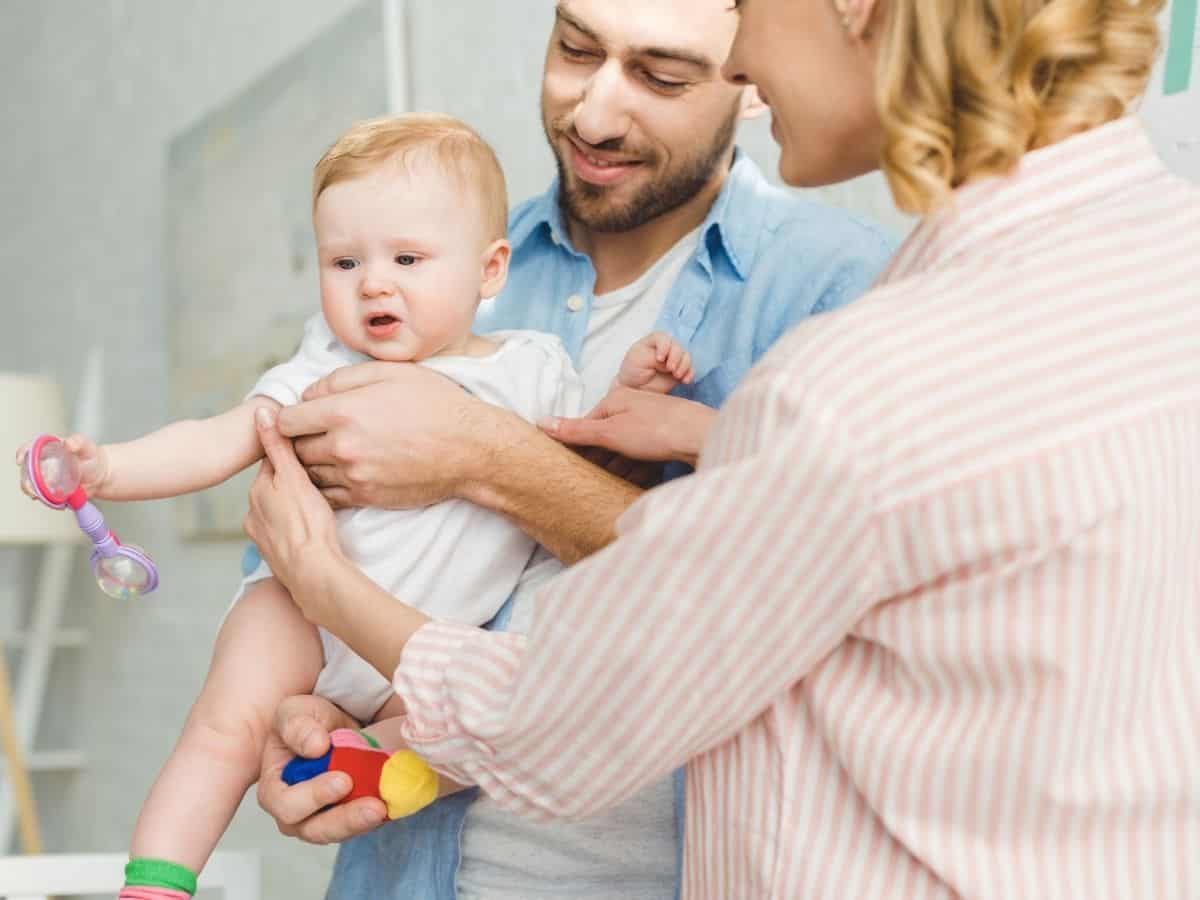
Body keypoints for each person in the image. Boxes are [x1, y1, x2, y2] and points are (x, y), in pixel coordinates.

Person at [249, 0, 1200, 897]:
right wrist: (316, 693)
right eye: (576, 47)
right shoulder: (1164, 265)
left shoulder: (858, 369)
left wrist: (352, 566)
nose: (744, 54)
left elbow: (568, 713)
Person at [252, 1, 895, 898]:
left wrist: (487, 456)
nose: (592, 115)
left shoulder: (850, 289)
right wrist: (304, 708)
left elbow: (786, 619)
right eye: (574, 48)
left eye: (662, 76)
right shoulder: (413, 262)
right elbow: (296, 557)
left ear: (751, 75)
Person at [16, 113, 602, 900]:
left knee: (471, 731)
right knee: (225, 727)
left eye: (407, 258)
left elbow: (589, 474)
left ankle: (369, 760)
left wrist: (646, 387)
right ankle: (155, 883)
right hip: (297, 611)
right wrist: (108, 469)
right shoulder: (323, 363)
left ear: (490, 268)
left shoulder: (533, 371)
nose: (374, 282)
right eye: (344, 260)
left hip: (419, 646)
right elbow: (220, 440)